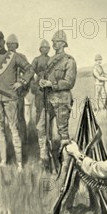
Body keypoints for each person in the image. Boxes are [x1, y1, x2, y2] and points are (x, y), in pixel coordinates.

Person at [0, 31, 35, 172]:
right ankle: (4, 161)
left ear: (3, 41)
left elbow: (30, 69)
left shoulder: (14, 57)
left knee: (13, 129)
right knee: (0, 129)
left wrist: (22, 82)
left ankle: (19, 164)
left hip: (10, 97)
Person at [36, 30, 77, 171]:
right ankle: (45, 158)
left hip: (62, 100)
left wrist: (52, 85)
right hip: (49, 99)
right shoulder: (50, 60)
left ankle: (65, 163)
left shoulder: (69, 61)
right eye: (53, 41)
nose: (54, 43)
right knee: (41, 128)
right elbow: (46, 78)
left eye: (57, 41)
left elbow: (69, 83)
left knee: (63, 133)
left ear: (64, 44)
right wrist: (42, 82)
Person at [6, 34, 29, 144]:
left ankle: (24, 141)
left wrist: (22, 83)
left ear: (17, 45)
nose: (11, 46)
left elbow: (28, 72)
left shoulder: (21, 57)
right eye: (9, 44)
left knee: (20, 117)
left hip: (18, 93)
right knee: (8, 118)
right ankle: (10, 142)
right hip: (5, 93)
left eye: (13, 44)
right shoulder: (3, 58)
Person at [30, 40, 50, 130]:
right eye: (43, 48)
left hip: (49, 90)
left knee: (50, 112)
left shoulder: (51, 59)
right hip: (39, 90)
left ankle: (49, 136)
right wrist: (34, 87)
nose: (45, 49)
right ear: (40, 49)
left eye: (47, 48)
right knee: (39, 111)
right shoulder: (36, 60)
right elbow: (30, 73)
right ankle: (38, 134)